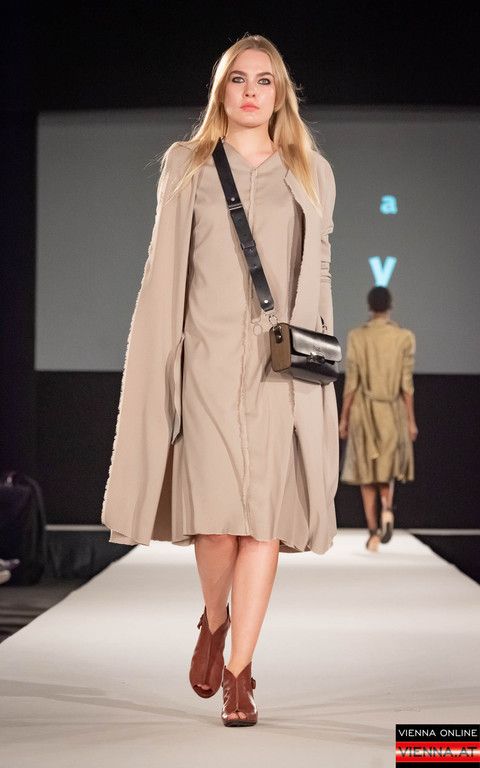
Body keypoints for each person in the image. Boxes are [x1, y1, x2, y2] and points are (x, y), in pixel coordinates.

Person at [101, 34, 338, 727]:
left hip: (277, 373)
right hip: (206, 364)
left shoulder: (311, 170)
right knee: (215, 527)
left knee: (263, 525)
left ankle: (240, 673)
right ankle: (214, 620)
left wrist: (317, 379)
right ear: (221, 90)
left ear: (281, 93)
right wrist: (162, 370)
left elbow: (319, 276)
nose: (251, 91)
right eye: (239, 79)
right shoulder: (189, 164)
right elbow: (163, 273)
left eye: (264, 80)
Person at [339, 286, 418, 552]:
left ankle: (373, 533)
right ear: (390, 306)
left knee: (366, 473)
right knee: (386, 469)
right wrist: (411, 420)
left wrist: (343, 418)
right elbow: (406, 384)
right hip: (392, 410)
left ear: (370, 306)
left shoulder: (357, 336)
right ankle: (387, 507)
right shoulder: (404, 337)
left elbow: (352, 381)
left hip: (364, 410)